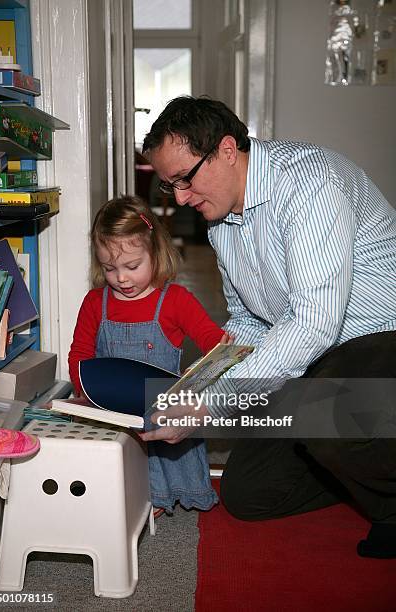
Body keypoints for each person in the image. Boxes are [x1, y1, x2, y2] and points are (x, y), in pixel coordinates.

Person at [141, 95, 396, 558]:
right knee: (250, 494)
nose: (179, 197)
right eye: (168, 185)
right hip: (317, 363)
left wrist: (215, 404)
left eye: (184, 178)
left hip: (380, 341)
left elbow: (315, 323)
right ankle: (350, 458)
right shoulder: (220, 221)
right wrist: (194, 389)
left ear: (225, 149)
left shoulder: (309, 182)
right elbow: (248, 322)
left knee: (325, 416)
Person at [68, 195, 233, 513]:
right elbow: (80, 353)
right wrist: (85, 391)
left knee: (163, 430)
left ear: (156, 252)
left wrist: (223, 347)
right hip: (112, 408)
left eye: (132, 266)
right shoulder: (94, 303)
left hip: (160, 409)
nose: (121, 277)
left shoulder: (175, 300)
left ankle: (164, 491)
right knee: (104, 472)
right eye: (109, 268)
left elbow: (210, 338)